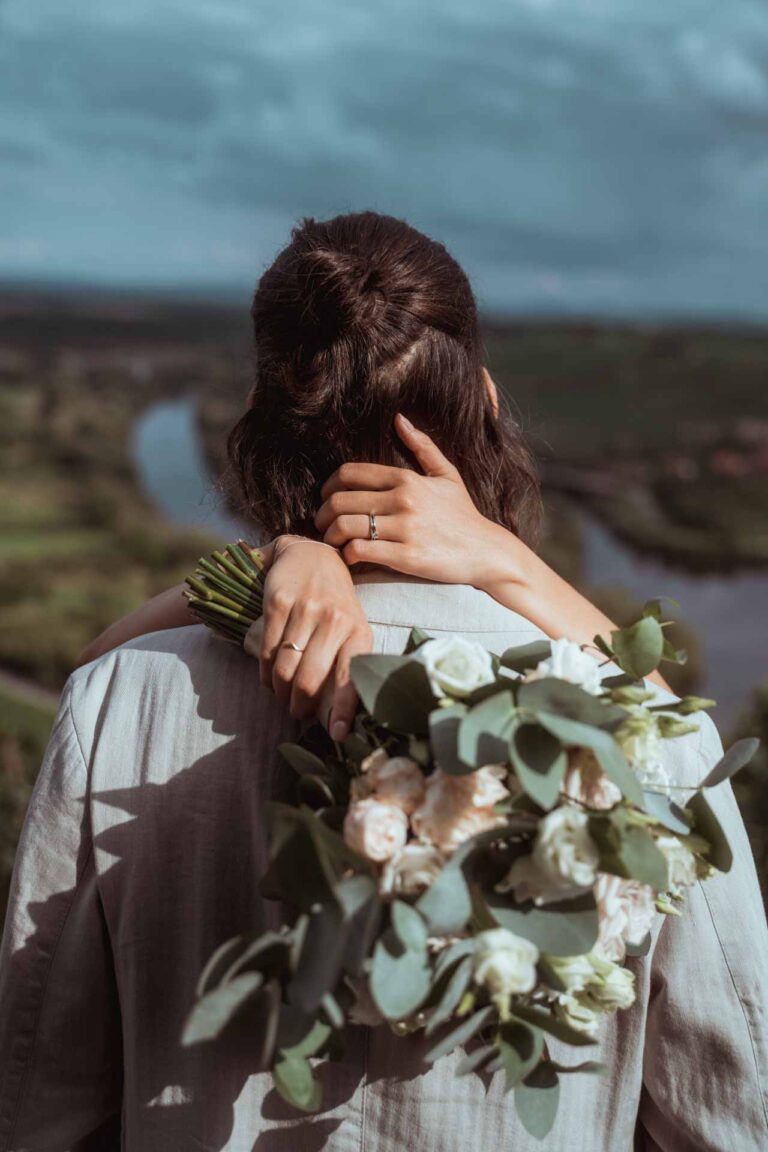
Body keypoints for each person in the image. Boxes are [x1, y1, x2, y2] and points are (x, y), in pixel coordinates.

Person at [0, 212, 765, 1151]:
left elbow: (37, 1091)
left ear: (260, 421)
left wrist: (289, 548)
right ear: (482, 400)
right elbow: (729, 1115)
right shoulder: (647, 741)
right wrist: (509, 567)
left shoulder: (117, 701)